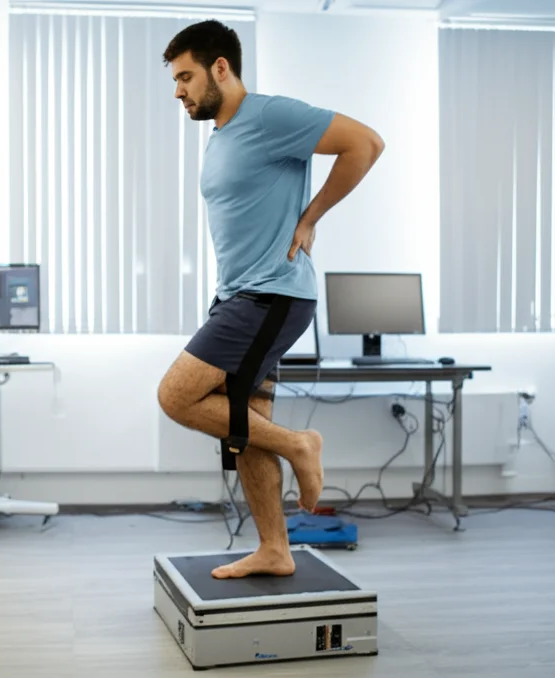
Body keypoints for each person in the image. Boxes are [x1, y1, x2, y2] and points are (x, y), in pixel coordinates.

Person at [156, 20, 384, 580]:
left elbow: (365, 143)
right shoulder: (224, 135)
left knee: (177, 397)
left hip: (270, 295)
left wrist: (311, 218)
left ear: (221, 68)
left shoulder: (269, 116)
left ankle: (300, 445)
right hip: (239, 296)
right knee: (245, 424)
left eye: (185, 77)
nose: (178, 91)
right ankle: (275, 548)